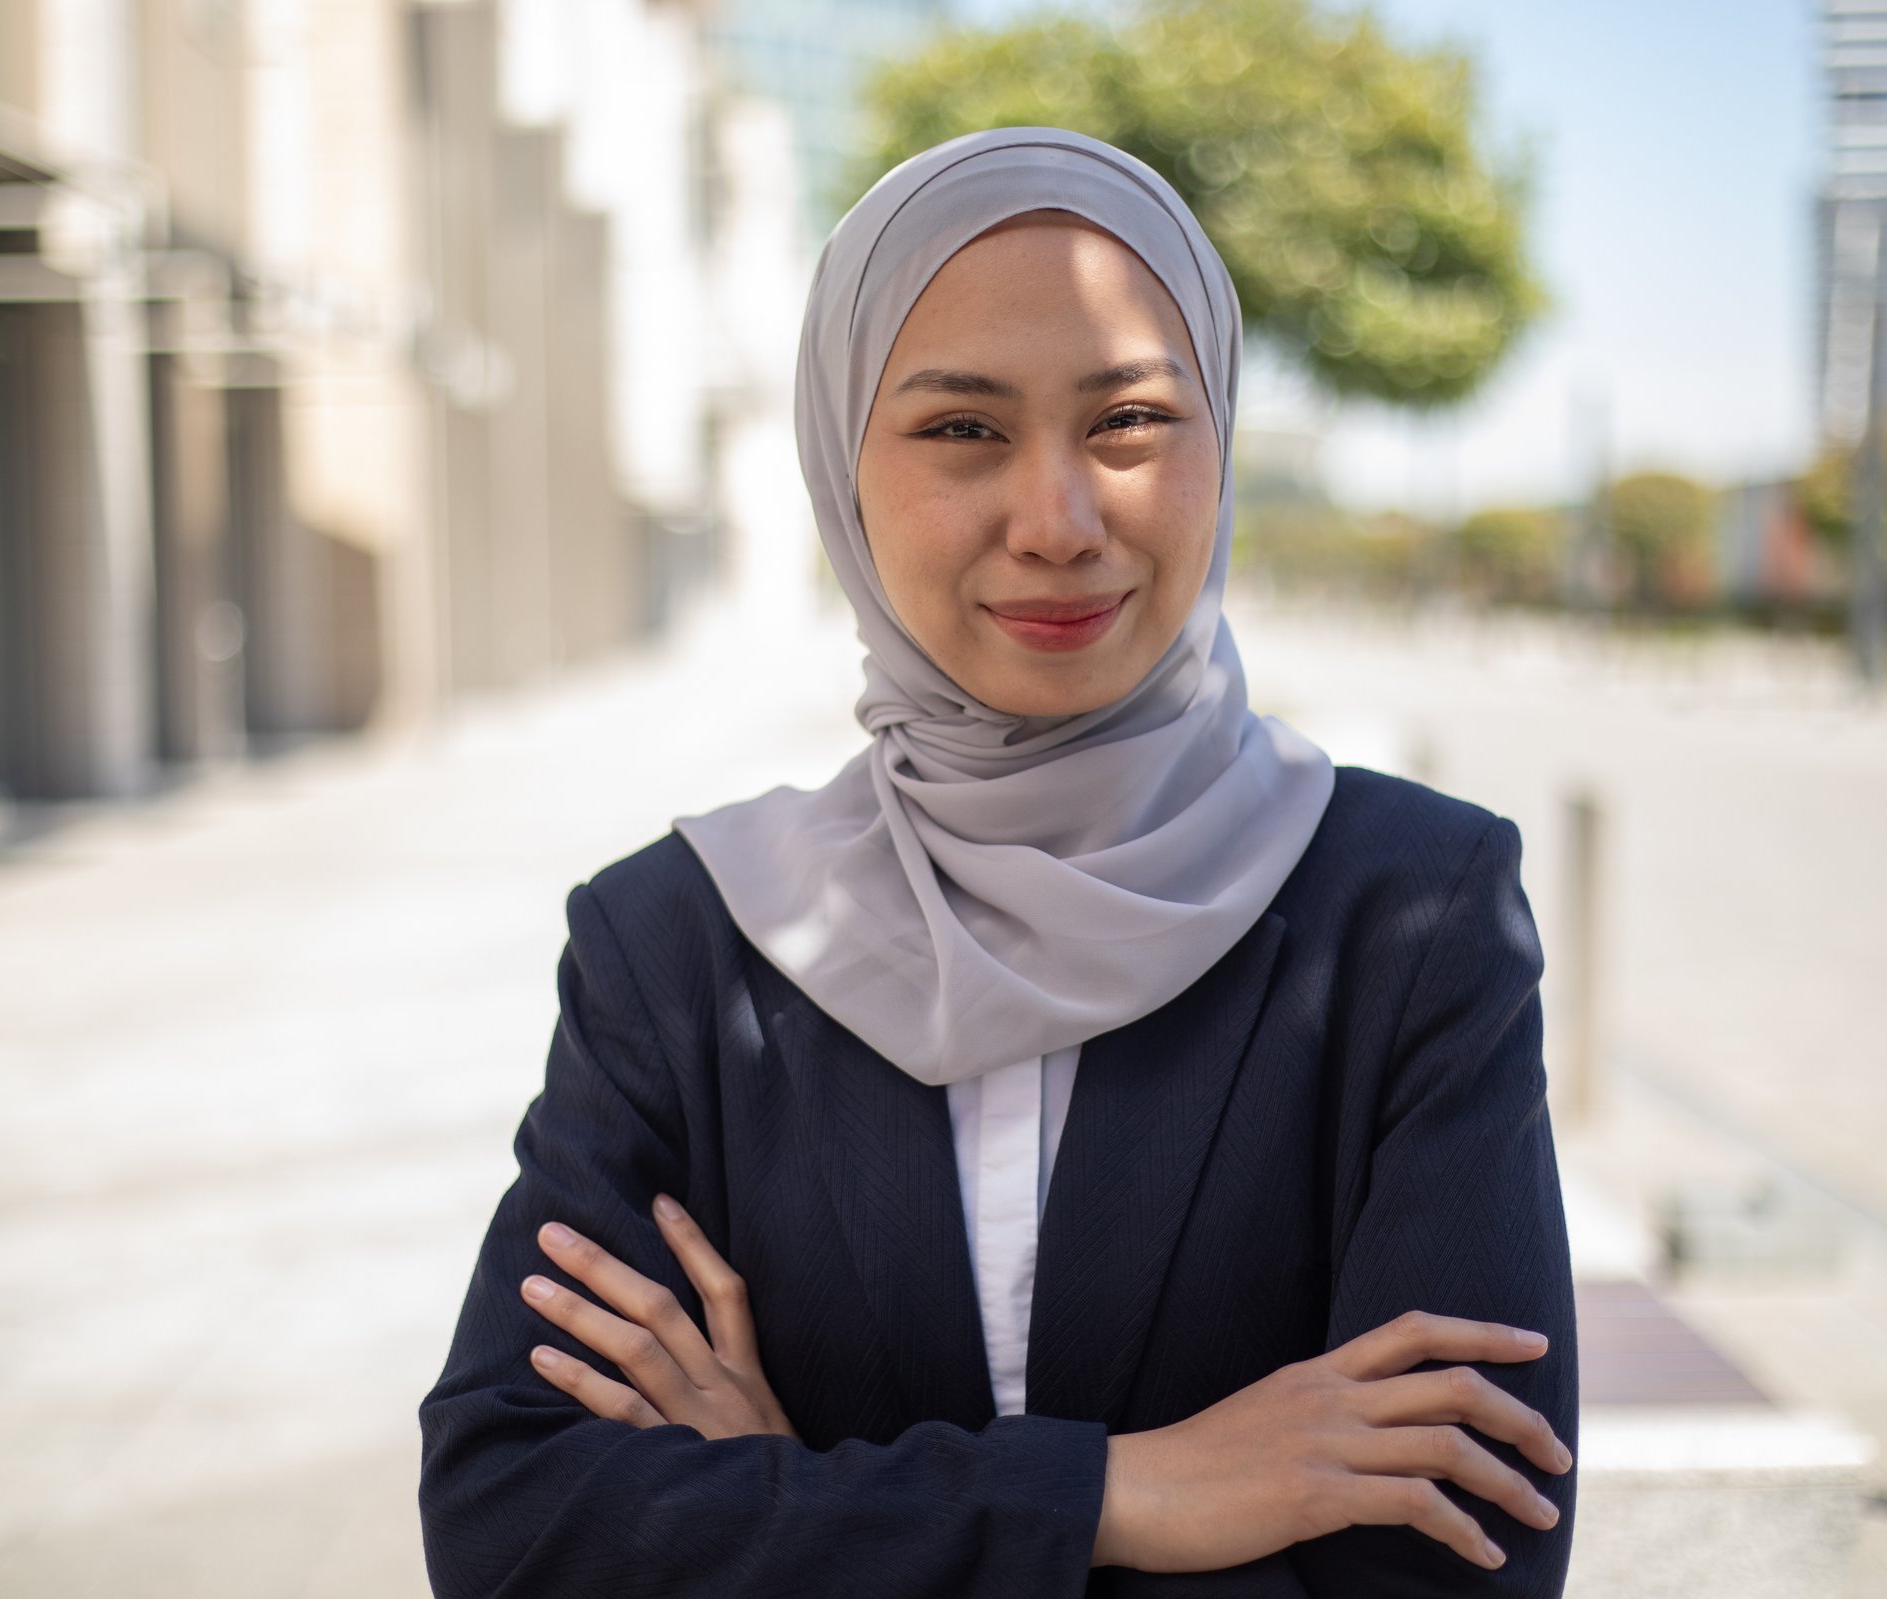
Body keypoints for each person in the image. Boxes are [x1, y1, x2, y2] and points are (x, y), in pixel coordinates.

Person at [419, 126, 1578, 1598]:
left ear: (1219, 435)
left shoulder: (1411, 917)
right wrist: (1120, 1495)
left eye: (1131, 424)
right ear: (842, 465)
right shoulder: (685, 944)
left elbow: (1457, 1567)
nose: (1059, 523)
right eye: (963, 430)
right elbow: (512, 1527)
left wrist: (787, 1505)